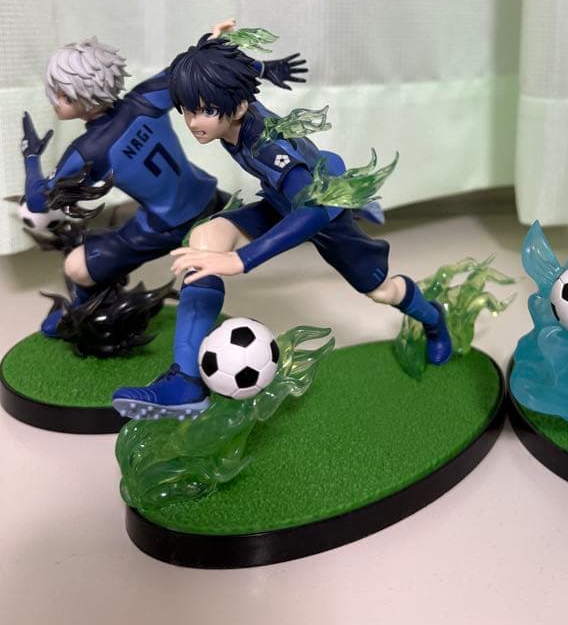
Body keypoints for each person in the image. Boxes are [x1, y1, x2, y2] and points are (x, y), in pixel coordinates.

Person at [112, 33, 452, 419]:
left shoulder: (267, 147)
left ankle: (433, 318)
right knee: (205, 240)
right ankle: (186, 382)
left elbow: (313, 210)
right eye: (187, 111)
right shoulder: (231, 106)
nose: (193, 122)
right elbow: (233, 73)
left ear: (238, 107)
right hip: (280, 202)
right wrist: (253, 62)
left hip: (326, 216)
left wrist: (241, 260)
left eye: (204, 111)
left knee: (382, 291)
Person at [21, 22, 306, 339]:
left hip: (164, 227)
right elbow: (204, 70)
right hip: (210, 200)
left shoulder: (89, 151)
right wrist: (264, 68)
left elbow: (38, 201)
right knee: (283, 219)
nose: (54, 100)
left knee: (77, 266)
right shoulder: (146, 98)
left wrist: (31, 156)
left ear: (71, 94)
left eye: (58, 94)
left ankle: (81, 312)